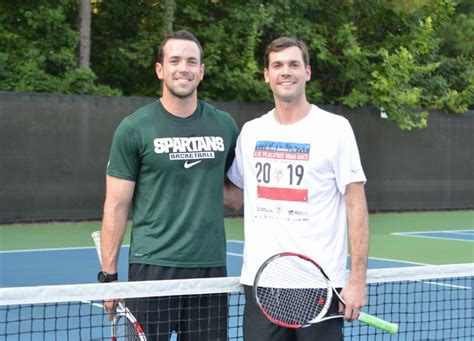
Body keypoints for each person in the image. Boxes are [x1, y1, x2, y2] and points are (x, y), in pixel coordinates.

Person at [98, 30, 239, 341]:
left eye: (191, 61)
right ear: (160, 69)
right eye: (174, 60)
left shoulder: (225, 126)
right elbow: (117, 204)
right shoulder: (134, 128)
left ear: (201, 71)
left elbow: (236, 193)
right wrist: (109, 277)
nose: (183, 68)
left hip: (210, 269)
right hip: (152, 268)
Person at [226, 37, 369, 340]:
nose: (285, 71)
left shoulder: (336, 129)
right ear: (267, 75)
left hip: (319, 285)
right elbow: (234, 197)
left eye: (293, 64)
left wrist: (356, 280)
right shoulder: (251, 133)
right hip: (261, 285)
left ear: (307, 72)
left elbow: (356, 206)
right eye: (277, 65)